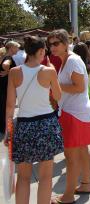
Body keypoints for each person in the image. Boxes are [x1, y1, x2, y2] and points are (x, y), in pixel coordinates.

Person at [4, 36, 63, 204]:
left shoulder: (15, 72)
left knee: (23, 177)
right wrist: (52, 72)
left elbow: (9, 105)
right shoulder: (48, 71)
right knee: (45, 177)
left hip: (24, 126)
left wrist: (8, 130)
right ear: (41, 51)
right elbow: (58, 97)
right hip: (46, 124)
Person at [48, 29, 90, 204]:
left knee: (71, 157)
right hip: (77, 112)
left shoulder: (72, 60)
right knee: (83, 151)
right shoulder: (66, 60)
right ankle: (85, 184)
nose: (52, 47)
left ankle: (68, 196)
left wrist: (56, 86)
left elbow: (79, 87)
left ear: (65, 43)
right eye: (50, 44)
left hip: (74, 114)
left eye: (56, 43)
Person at [0, 40, 20, 135]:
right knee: (6, 106)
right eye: (17, 47)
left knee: (2, 106)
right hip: (5, 87)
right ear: (11, 48)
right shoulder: (8, 57)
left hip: (3, 86)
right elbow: (5, 64)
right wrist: (8, 71)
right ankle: (5, 128)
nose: (18, 49)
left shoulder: (4, 56)